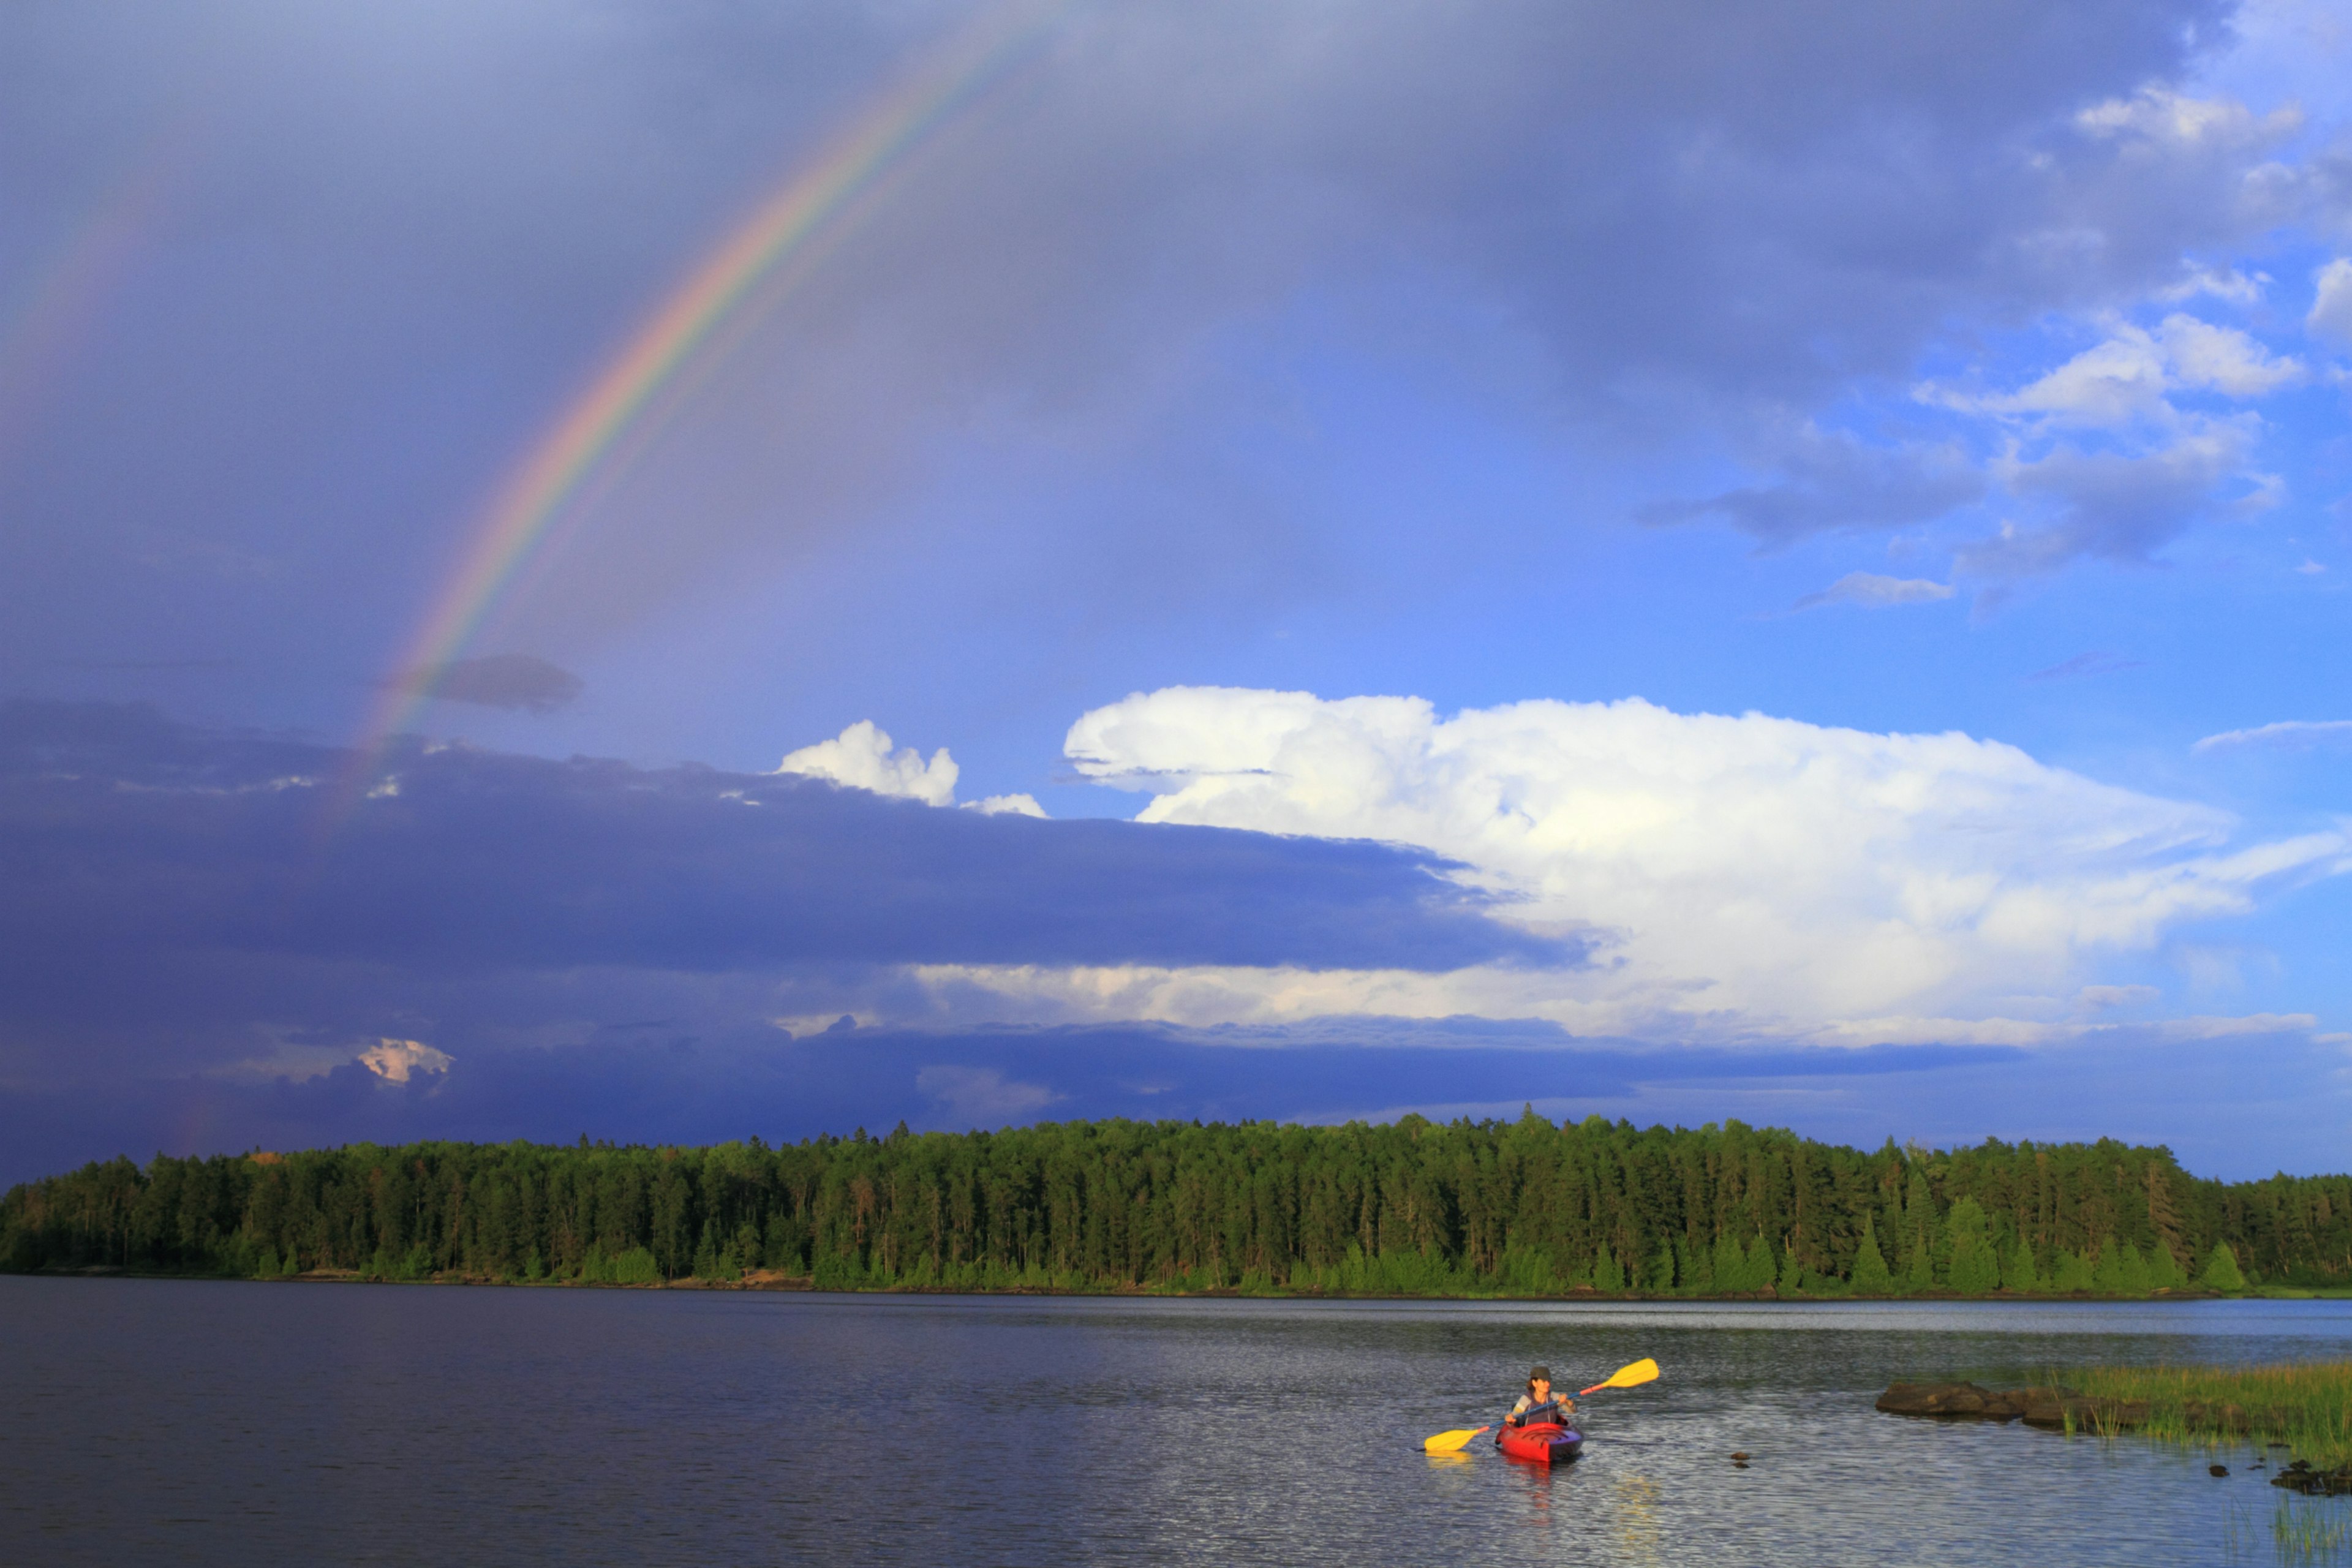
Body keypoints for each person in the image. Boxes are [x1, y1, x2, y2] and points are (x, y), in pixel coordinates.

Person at [1507, 1365, 1577, 1427]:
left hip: (1551, 1433)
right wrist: (1510, 1419)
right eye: (1544, 1381)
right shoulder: (1526, 1399)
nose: (1548, 1384)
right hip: (1530, 1434)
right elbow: (1515, 1414)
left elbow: (1573, 1411)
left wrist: (1568, 1401)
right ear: (1535, 1383)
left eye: (1549, 1381)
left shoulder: (1554, 1397)